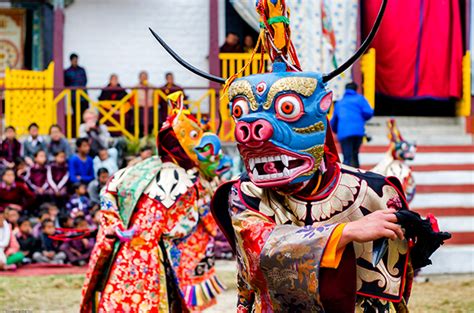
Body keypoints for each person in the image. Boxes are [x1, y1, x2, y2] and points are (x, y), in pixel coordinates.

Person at [152, 1, 450, 311]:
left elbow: (393, 283)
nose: (255, 132)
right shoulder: (246, 194)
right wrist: (345, 232)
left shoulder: (372, 190)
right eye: (241, 114)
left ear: (322, 110)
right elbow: (261, 246)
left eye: (287, 110)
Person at [81, 93, 224, 312]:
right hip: (154, 258)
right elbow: (183, 225)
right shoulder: (185, 181)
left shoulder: (138, 169)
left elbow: (107, 190)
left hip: (125, 251)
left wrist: (115, 224)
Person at [331, 82, 374, 168]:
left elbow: (333, 121)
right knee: (355, 155)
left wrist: (336, 130)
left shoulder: (339, 103)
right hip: (358, 132)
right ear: (356, 89)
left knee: (347, 157)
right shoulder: (360, 99)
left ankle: (347, 177)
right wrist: (361, 119)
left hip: (344, 133)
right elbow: (369, 112)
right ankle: (358, 176)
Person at [64, 53, 88, 118]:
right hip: (74, 97)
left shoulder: (81, 70)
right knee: (76, 114)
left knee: (85, 113)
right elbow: (66, 83)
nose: (75, 61)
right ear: (71, 61)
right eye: (74, 60)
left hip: (83, 95)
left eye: (76, 60)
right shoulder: (67, 71)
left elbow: (85, 81)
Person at [135, 71, 155, 136]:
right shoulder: (135, 87)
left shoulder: (152, 86)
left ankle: (151, 133)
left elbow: (155, 98)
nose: (144, 79)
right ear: (139, 78)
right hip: (140, 108)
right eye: (142, 77)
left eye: (145, 77)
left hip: (150, 108)